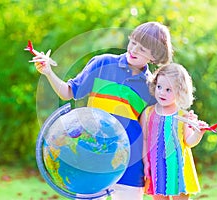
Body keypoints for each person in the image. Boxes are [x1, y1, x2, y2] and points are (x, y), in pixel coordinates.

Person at [32, 22, 173, 200]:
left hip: (130, 160)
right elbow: (69, 92)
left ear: (155, 56)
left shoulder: (151, 87)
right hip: (92, 153)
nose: (134, 50)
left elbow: (154, 126)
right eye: (134, 42)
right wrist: (48, 72)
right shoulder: (102, 63)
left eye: (143, 49)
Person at [140, 63, 209, 200]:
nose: (161, 92)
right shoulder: (148, 113)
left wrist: (198, 133)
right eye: (159, 87)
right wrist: (145, 162)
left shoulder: (183, 116)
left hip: (179, 167)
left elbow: (189, 141)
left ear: (180, 91)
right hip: (157, 166)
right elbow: (144, 139)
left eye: (168, 90)